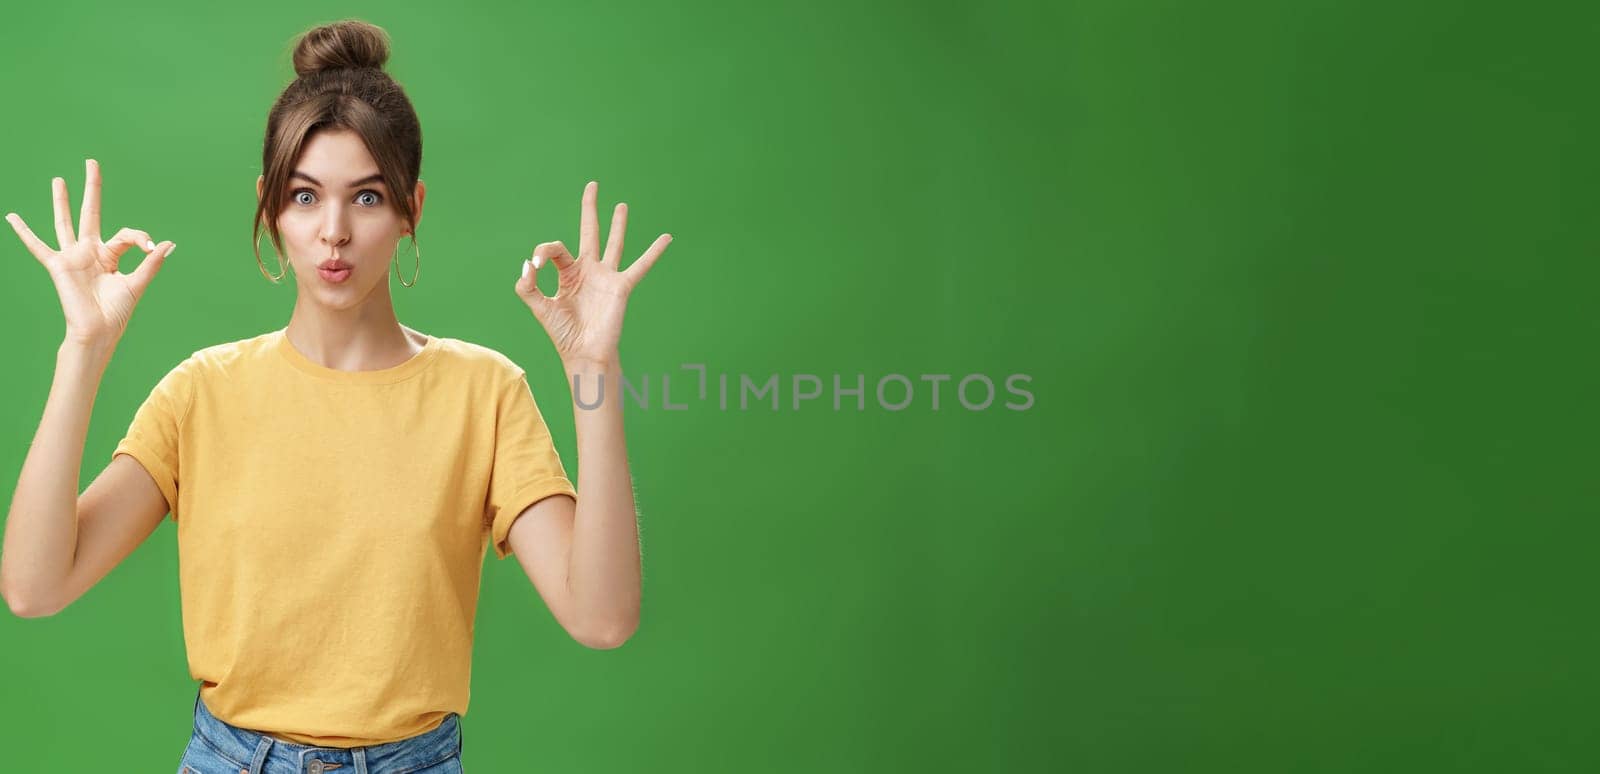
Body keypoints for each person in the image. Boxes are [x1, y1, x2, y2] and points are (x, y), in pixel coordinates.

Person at [0, 18, 669, 773]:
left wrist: (595, 371)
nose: (335, 232)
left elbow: (603, 617)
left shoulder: (483, 393)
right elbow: (34, 585)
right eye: (306, 195)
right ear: (270, 205)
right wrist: (82, 349)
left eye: (369, 197)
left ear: (411, 207)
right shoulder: (201, 393)